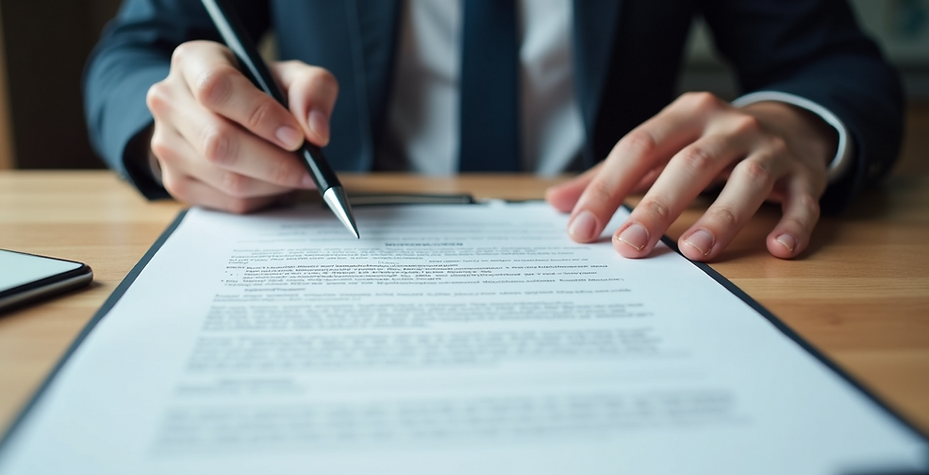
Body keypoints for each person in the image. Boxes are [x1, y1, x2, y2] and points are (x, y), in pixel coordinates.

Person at [84, 0, 903, 261]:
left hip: (624, 247)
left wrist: (794, 124)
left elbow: (835, 64)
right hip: (332, 243)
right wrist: (187, 126)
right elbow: (134, 53)